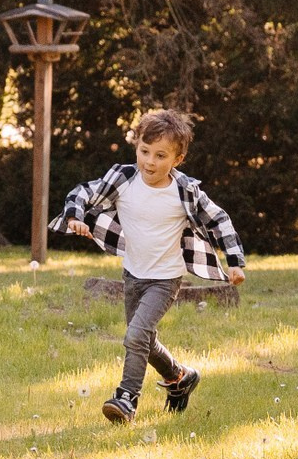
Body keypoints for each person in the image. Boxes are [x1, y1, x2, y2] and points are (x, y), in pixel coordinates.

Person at [54, 108, 245, 423]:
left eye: (160, 156)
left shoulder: (184, 191)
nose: (150, 162)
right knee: (142, 338)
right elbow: (83, 192)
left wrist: (234, 263)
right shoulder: (123, 178)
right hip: (133, 274)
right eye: (145, 151)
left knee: (136, 335)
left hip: (165, 279)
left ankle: (126, 398)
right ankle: (179, 377)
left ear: (177, 159)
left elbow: (219, 220)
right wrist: (74, 217)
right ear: (136, 147)